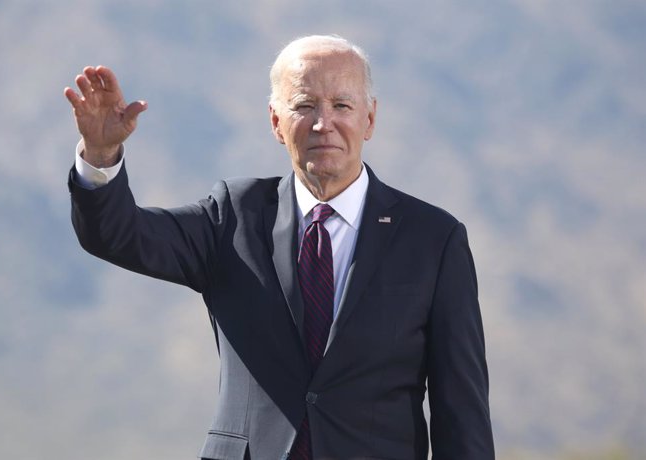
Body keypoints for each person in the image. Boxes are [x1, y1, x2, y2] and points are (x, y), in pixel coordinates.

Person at [65, 35, 495, 460]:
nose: (323, 123)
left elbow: (462, 411)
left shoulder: (432, 239)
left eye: (342, 106)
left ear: (370, 119)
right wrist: (101, 155)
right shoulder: (234, 216)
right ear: (276, 121)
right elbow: (120, 234)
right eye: (305, 106)